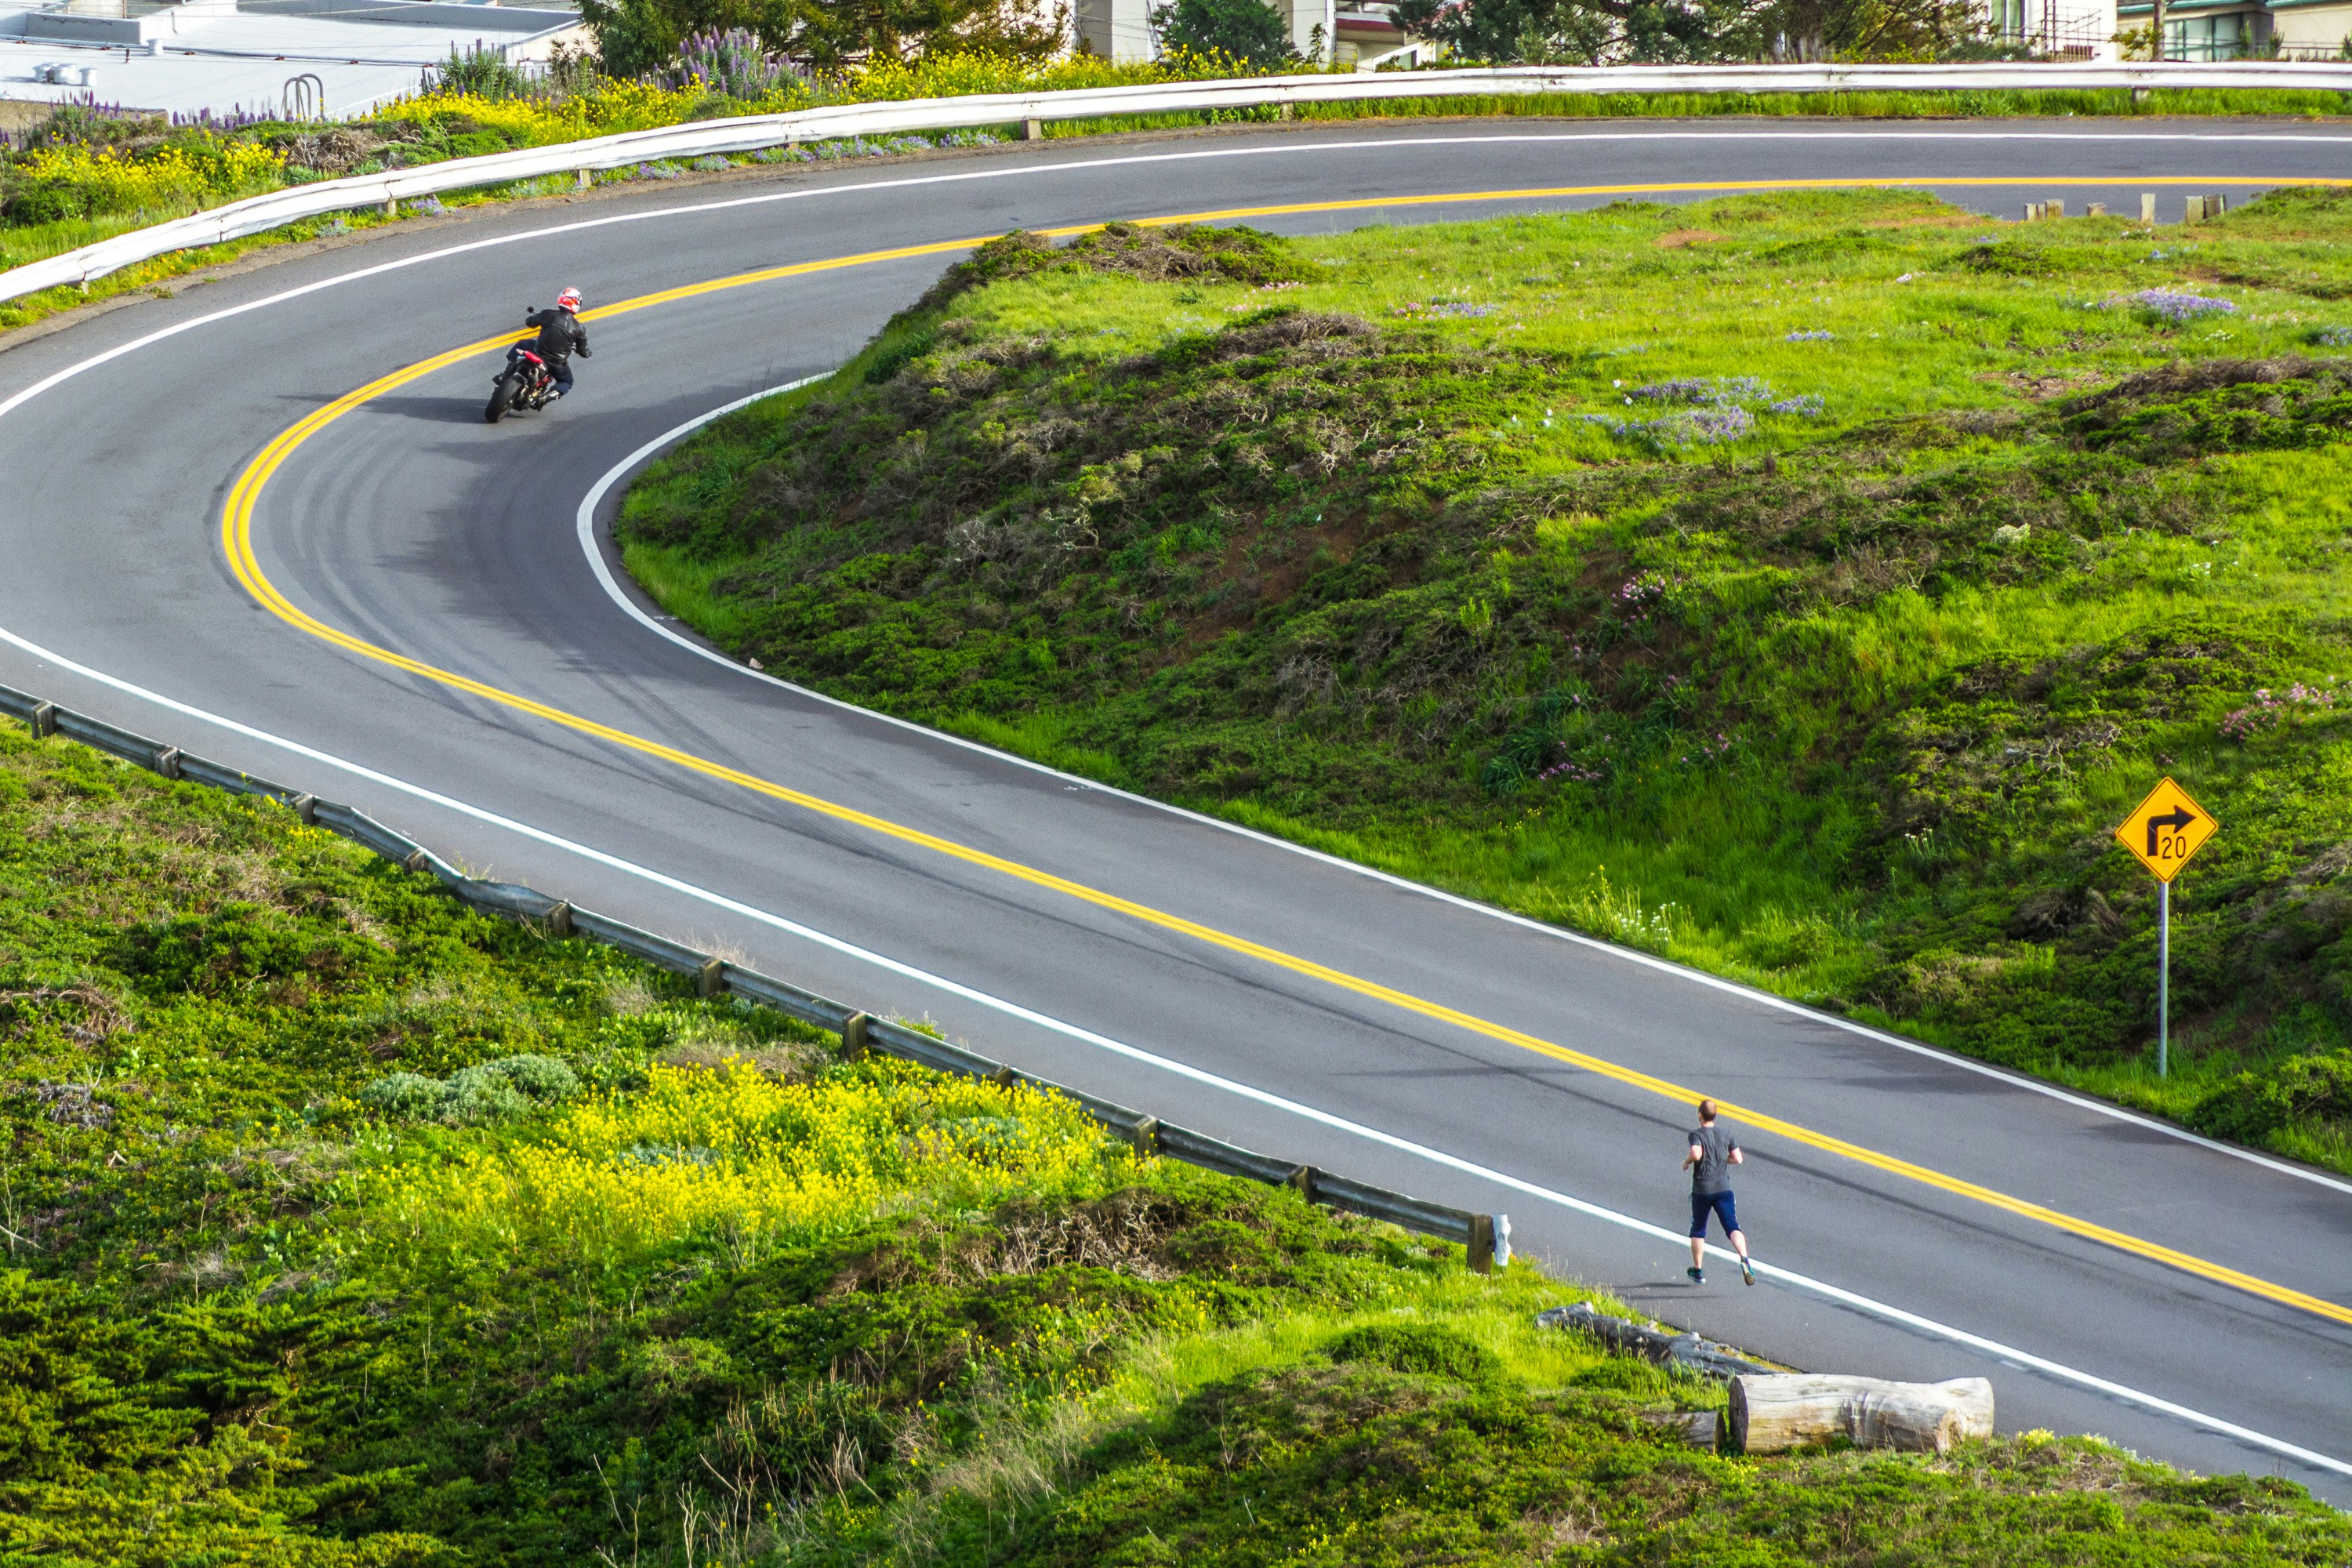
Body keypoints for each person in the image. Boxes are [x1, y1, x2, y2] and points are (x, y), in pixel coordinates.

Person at [1682, 1098, 1753, 1287]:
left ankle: (1698, 1270)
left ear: (1700, 1115)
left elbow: (1696, 1154)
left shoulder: (1696, 1135)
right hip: (1723, 1189)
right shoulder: (1726, 1133)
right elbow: (1738, 1159)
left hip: (1702, 1189)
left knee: (1698, 1229)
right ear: (1715, 1116)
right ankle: (1744, 1259)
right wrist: (1722, 1160)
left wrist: (1687, 1162)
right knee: (1732, 1226)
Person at [521, 287, 591, 397]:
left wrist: (532, 317)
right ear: (576, 303)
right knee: (567, 382)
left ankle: (504, 375)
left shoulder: (548, 314)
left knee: (522, 344)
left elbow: (530, 323)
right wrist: (588, 354)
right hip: (556, 364)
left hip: (538, 352)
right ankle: (546, 397)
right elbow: (583, 351)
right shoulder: (579, 328)